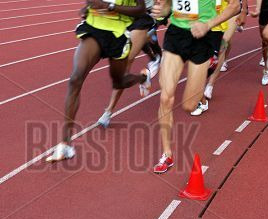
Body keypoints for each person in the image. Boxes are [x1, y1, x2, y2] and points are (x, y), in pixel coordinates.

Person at [46, 0, 150, 162]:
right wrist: (87, 7)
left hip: (117, 34)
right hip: (94, 28)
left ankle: (142, 78)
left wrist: (110, 7)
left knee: (119, 82)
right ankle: (66, 143)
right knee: (75, 79)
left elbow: (140, 9)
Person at [151, 0, 240, 174]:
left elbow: (235, 6)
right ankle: (167, 154)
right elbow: (169, 5)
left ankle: (210, 65)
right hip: (176, 35)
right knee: (165, 97)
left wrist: (208, 25)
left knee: (189, 105)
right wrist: (162, 10)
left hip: (202, 37)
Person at [98, 0, 162, 128]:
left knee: (125, 62)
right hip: (122, 17)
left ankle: (108, 111)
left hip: (142, 17)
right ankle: (145, 75)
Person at [194, 0, 248, 115]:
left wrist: (243, 11)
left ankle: (210, 85)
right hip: (211, 15)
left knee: (223, 44)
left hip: (230, 11)